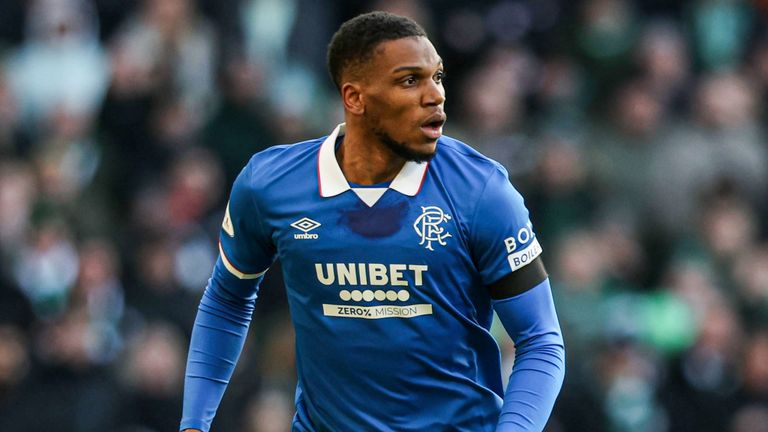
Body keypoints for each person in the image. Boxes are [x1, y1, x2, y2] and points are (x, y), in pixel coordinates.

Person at [180, 11, 564, 432]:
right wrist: (195, 424)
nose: (435, 95)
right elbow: (227, 300)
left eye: (437, 77)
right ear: (355, 98)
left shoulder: (481, 190)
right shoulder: (269, 185)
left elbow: (540, 341)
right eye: (409, 81)